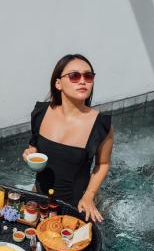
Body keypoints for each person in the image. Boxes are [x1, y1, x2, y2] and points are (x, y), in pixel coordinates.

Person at [22, 53, 114, 223]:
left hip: (76, 205)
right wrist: (30, 152)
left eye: (88, 76)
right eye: (74, 76)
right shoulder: (40, 113)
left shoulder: (101, 124)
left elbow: (103, 164)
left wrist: (89, 196)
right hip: (39, 199)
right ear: (58, 83)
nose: (82, 81)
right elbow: (34, 144)